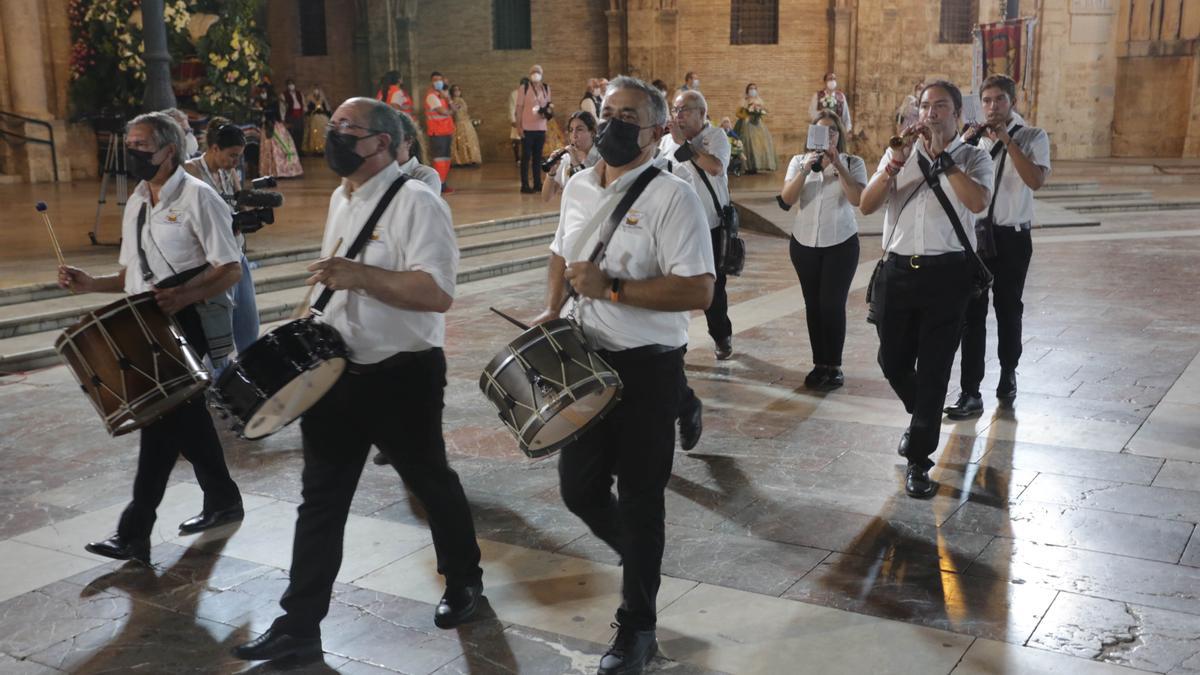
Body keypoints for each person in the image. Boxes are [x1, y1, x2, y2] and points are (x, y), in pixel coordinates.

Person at [232, 97, 483, 663]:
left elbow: (436, 293)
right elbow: (335, 283)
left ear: (386, 145)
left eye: (350, 130)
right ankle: (299, 625)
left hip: (402, 374)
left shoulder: (419, 203)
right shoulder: (339, 198)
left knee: (429, 480)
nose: (335, 137)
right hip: (337, 373)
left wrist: (360, 276)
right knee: (320, 500)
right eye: (334, 127)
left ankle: (465, 579)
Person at [533, 76, 715, 675]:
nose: (611, 124)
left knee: (640, 501)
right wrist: (552, 304)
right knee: (578, 490)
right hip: (585, 361)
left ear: (658, 130)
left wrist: (613, 288)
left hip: (647, 370)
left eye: (627, 116)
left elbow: (699, 289)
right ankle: (643, 562)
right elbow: (563, 250)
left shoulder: (674, 197)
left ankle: (636, 626)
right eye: (606, 112)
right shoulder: (580, 184)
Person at [57, 111, 244, 565]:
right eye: (130, 144)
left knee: (159, 421)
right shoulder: (138, 200)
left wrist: (184, 295)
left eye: (142, 145)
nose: (133, 153)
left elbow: (230, 266)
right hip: (147, 322)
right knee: (183, 415)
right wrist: (89, 283)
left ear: (169, 151)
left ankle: (134, 530)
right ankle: (222, 499)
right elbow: (131, 274)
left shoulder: (200, 198)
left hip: (189, 318)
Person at [858, 80, 994, 499]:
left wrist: (947, 163)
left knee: (935, 369)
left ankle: (919, 457)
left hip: (946, 276)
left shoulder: (974, 157)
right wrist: (894, 165)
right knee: (891, 360)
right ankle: (925, 416)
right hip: (897, 272)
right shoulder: (898, 152)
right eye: (925, 106)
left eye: (941, 107)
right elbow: (866, 204)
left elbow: (978, 204)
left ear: (957, 114)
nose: (931, 113)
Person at [944, 74, 1051, 419]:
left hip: (1011, 237)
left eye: (999, 100)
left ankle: (1008, 371)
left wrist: (1006, 139)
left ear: (1012, 102)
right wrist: (963, 141)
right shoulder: (972, 140)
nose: (992, 107)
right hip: (974, 237)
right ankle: (970, 391)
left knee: (1008, 308)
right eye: (986, 101)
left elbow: (1035, 180)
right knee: (971, 315)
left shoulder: (1032, 136)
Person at [779, 110, 867, 391]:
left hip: (841, 243)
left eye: (831, 131)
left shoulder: (853, 162)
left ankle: (835, 365)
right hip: (804, 243)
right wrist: (807, 168)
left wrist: (837, 164)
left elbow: (858, 199)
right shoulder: (798, 162)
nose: (826, 135)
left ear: (839, 135)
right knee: (814, 306)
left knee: (832, 305)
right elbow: (788, 199)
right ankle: (819, 364)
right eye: (820, 130)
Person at [660, 90, 734, 363]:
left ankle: (721, 335)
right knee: (672, 286)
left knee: (713, 289)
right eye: (675, 110)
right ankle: (675, 343)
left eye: (684, 110)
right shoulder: (666, 141)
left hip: (710, 225)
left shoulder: (716, 137)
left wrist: (686, 145)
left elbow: (715, 167)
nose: (677, 115)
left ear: (702, 113)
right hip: (674, 226)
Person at [183, 123, 260, 366]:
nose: (236, 162)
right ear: (215, 148)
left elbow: (240, 205)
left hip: (236, 255)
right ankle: (216, 387)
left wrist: (251, 215)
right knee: (219, 336)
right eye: (232, 155)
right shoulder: (191, 171)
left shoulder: (229, 172)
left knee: (248, 328)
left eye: (239, 156)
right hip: (211, 263)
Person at [541, 110, 599, 202]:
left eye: (579, 129)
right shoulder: (565, 158)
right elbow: (546, 197)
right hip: (569, 214)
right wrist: (551, 173)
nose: (574, 135)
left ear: (592, 132)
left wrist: (575, 162)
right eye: (571, 130)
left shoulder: (601, 158)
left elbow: (586, 192)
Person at [514, 64, 553, 194]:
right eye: (533, 72)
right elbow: (518, 109)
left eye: (538, 72)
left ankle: (537, 183)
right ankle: (524, 184)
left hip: (541, 127)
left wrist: (547, 111)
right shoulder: (524, 88)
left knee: (538, 157)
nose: (535, 74)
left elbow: (549, 106)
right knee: (526, 157)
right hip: (527, 128)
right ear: (530, 74)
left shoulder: (546, 88)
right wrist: (519, 126)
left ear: (542, 74)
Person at [258, 80, 304, 178]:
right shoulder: (261, 100)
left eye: (264, 89)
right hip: (266, 125)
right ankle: (270, 170)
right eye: (261, 89)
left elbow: (278, 114)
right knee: (268, 148)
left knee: (279, 147)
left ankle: (283, 170)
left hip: (274, 125)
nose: (262, 90)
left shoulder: (274, 100)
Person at [425, 71, 456, 194]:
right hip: (437, 132)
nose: (438, 82)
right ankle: (439, 185)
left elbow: (453, 110)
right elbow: (445, 112)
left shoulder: (441, 95)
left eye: (439, 79)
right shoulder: (432, 96)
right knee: (439, 160)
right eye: (435, 80)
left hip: (446, 131)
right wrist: (450, 108)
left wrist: (448, 98)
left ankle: (443, 183)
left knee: (445, 159)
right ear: (431, 82)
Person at [734, 83, 777, 173]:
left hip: (758, 124)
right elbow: (738, 113)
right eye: (750, 88)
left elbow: (764, 111)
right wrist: (747, 113)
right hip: (746, 124)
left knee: (760, 144)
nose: (752, 90)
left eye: (754, 88)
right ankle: (747, 166)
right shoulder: (744, 100)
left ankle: (758, 165)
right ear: (747, 90)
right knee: (747, 143)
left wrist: (758, 112)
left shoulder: (759, 100)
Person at [448, 84, 482, 166]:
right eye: (455, 90)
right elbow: (454, 111)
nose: (457, 92)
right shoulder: (452, 101)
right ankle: (461, 159)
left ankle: (470, 158)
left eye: (458, 90)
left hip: (466, 122)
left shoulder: (461, 100)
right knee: (460, 142)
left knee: (469, 141)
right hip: (458, 123)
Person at [302, 85, 332, 155]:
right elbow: (307, 109)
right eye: (315, 90)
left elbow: (327, 109)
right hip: (313, 118)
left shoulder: (322, 99)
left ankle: (322, 148)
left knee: (323, 132)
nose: (316, 91)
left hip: (322, 118)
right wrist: (313, 110)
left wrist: (322, 111)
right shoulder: (309, 99)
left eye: (317, 90)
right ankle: (315, 148)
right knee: (314, 132)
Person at [508, 78, 528, 166]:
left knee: (527, 140)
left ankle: (526, 158)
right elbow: (511, 107)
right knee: (516, 140)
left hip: (528, 120)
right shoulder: (514, 94)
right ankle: (517, 159)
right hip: (518, 119)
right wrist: (513, 120)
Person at [282, 78, 306, 149]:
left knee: (300, 132)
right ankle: (292, 149)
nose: (291, 85)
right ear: (287, 86)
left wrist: (304, 112)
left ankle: (299, 149)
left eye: (292, 84)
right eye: (289, 84)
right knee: (292, 133)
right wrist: (283, 119)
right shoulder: (284, 95)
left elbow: (303, 104)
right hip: (290, 115)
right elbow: (282, 108)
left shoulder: (299, 94)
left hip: (299, 115)